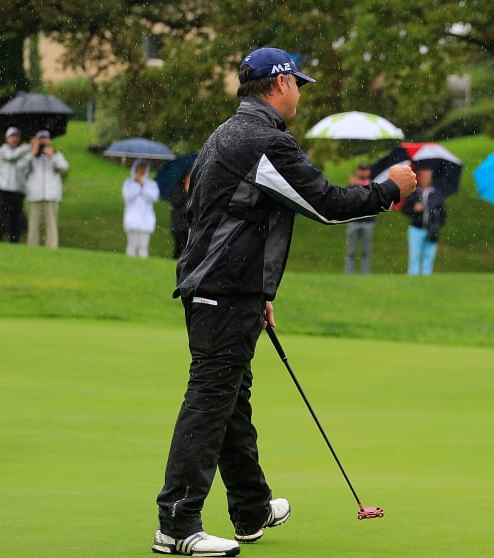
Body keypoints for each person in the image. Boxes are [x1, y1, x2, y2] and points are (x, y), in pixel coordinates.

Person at [152, 47, 416, 557]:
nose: (299, 93)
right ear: (279, 84)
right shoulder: (265, 141)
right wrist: (389, 190)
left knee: (230, 402)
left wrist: (256, 290)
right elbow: (327, 204)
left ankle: (251, 509)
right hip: (222, 292)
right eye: (297, 83)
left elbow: (219, 216)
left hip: (222, 290)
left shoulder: (226, 134)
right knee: (210, 400)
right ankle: (176, 524)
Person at [24, 130, 69, 249]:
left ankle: (52, 248)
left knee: (51, 224)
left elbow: (64, 167)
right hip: (34, 195)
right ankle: (32, 247)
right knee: (33, 225)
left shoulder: (56, 154)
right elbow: (21, 168)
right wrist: (32, 154)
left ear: (49, 140)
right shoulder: (31, 156)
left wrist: (52, 156)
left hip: (51, 195)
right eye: (41, 139)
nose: (43, 141)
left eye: (45, 138)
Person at [401, 167, 446, 275]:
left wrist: (437, 225)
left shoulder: (437, 194)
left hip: (431, 229)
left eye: (428, 176)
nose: (426, 179)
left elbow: (443, 213)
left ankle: (426, 277)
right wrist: (414, 209)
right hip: (416, 228)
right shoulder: (413, 192)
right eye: (424, 176)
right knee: (414, 256)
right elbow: (405, 209)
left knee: (429, 256)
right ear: (419, 177)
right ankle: (413, 276)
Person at [0, 127, 31, 243]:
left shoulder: (22, 152)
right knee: (0, 216)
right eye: (11, 136)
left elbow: (25, 165)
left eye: (16, 136)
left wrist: (28, 150)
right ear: (6, 138)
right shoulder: (3, 150)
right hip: (5, 189)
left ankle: (14, 241)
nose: (14, 139)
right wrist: (28, 147)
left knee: (16, 218)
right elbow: (11, 156)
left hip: (18, 190)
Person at [122, 159, 161, 258]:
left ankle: (142, 263)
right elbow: (128, 196)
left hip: (146, 219)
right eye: (140, 169)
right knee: (132, 245)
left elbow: (154, 197)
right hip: (132, 218)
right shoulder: (128, 183)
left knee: (143, 246)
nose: (142, 171)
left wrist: (143, 185)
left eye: (144, 169)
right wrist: (137, 185)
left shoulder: (151, 184)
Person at [344, 163, 376, 273]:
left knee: (366, 251)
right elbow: (346, 201)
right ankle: (348, 273)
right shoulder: (351, 186)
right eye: (361, 169)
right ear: (358, 171)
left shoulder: (373, 186)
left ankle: (365, 275)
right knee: (351, 251)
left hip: (368, 222)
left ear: (369, 172)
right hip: (353, 222)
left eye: (365, 169)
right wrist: (353, 187)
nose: (363, 172)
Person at [170, 170, 192, 259]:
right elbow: (177, 202)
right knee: (179, 247)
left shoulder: (195, 191)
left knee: (188, 248)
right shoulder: (177, 190)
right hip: (178, 224)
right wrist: (186, 191)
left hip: (189, 224)